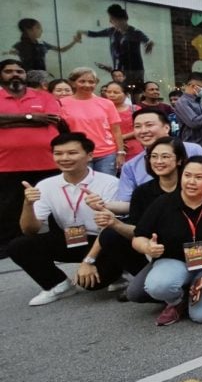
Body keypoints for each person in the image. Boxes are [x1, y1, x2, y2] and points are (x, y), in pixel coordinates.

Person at [10, 133, 138, 305]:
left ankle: (121, 271)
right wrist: (28, 204)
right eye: (58, 153)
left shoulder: (109, 183)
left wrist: (88, 261)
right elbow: (29, 230)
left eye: (72, 153)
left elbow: (112, 228)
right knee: (19, 245)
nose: (64, 158)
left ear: (90, 155)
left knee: (95, 284)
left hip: (103, 241)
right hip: (72, 237)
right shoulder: (46, 185)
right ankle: (58, 285)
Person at [129, 156, 202, 325]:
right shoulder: (162, 204)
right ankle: (177, 301)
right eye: (187, 175)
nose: (191, 181)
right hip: (174, 261)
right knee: (155, 287)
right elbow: (138, 237)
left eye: (199, 177)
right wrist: (147, 247)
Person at [95, 137, 185, 302]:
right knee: (136, 293)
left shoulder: (191, 186)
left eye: (165, 156)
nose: (158, 161)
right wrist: (115, 223)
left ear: (179, 160)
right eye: (153, 156)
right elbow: (138, 231)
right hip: (164, 254)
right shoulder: (142, 192)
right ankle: (177, 295)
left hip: (197, 250)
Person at [0, 60, 63, 251]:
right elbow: (41, 119)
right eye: (8, 71)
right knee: (9, 206)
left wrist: (6, 121)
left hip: (47, 162)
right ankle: (9, 244)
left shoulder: (43, 96)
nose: (15, 74)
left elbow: (52, 118)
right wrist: (32, 117)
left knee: (55, 204)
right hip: (7, 164)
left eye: (19, 71)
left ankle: (58, 241)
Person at [113, 108, 202, 212]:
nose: (143, 131)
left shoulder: (192, 150)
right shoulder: (131, 166)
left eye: (149, 125)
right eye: (137, 126)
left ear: (166, 127)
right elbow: (127, 203)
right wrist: (103, 206)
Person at [59, 68, 125, 176]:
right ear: (73, 83)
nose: (87, 85)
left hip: (107, 154)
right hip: (78, 153)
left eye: (91, 82)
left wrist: (120, 152)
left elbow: (116, 130)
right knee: (83, 187)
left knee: (106, 187)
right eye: (82, 81)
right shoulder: (62, 104)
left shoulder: (107, 103)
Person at [81, 4, 153, 86]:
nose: (110, 21)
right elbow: (95, 34)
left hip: (134, 70)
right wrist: (81, 32)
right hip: (119, 70)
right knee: (120, 90)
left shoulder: (135, 32)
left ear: (122, 19)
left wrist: (149, 44)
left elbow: (147, 41)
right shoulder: (112, 31)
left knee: (135, 91)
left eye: (113, 19)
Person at [8, 18, 79, 71]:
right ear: (28, 30)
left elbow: (62, 49)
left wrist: (74, 42)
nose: (41, 30)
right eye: (38, 27)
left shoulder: (41, 44)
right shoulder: (18, 46)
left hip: (42, 76)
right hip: (27, 76)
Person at [174, 72, 202, 154]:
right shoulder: (182, 102)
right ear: (193, 86)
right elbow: (194, 123)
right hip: (193, 147)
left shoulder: (198, 100)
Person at [102, 81, 142, 159]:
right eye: (108, 92)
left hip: (134, 148)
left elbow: (142, 129)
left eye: (116, 92)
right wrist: (118, 141)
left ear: (126, 94)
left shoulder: (135, 109)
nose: (111, 95)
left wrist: (121, 138)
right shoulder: (101, 111)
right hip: (109, 149)